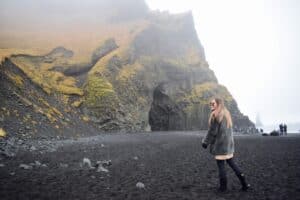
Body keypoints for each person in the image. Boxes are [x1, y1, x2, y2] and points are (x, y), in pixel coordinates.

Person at [202, 97, 250, 192]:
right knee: (232, 164)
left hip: (220, 145)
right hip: (228, 145)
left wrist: (205, 142)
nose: (211, 105)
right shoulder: (226, 113)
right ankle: (245, 184)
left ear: (219, 103)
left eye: (213, 103)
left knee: (221, 166)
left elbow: (212, 132)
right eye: (210, 104)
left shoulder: (215, 115)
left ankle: (223, 188)